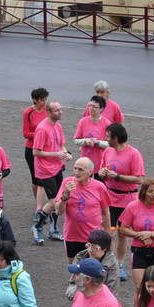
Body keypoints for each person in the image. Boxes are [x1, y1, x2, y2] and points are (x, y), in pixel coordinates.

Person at [99, 123, 145, 276]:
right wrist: (103, 173)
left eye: (108, 136)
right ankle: (110, 262)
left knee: (122, 234)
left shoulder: (134, 154)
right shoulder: (107, 151)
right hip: (110, 198)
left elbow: (139, 179)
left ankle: (119, 263)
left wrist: (118, 177)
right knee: (110, 233)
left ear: (116, 138)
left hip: (127, 201)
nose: (105, 139)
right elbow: (101, 170)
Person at [49, 157, 112, 263]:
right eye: (75, 168)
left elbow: (106, 213)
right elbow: (58, 212)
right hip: (72, 236)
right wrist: (65, 195)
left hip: (94, 237)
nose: (76, 172)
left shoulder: (99, 187)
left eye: (80, 169)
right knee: (74, 266)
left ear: (90, 172)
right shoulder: (67, 183)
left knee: (93, 266)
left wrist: (108, 235)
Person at [30, 100, 72, 245]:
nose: (60, 112)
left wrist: (66, 153)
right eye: (57, 110)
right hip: (45, 170)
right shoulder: (42, 129)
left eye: (60, 109)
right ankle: (37, 226)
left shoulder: (58, 126)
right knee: (55, 202)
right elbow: (36, 152)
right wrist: (57, 154)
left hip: (57, 167)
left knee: (58, 200)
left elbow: (61, 145)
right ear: (48, 112)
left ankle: (53, 229)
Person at [118, 177, 154, 291]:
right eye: (150, 191)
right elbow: (122, 229)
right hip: (139, 250)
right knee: (140, 287)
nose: (153, 194)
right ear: (143, 192)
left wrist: (150, 234)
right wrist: (141, 236)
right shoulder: (133, 206)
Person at [65, 228, 120, 300]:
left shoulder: (111, 264)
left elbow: (112, 290)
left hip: (101, 298)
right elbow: (73, 281)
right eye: (88, 245)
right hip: (83, 293)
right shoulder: (81, 256)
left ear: (105, 249)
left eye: (95, 247)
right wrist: (73, 289)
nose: (90, 250)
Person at [21, 87, 50, 202]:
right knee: (36, 178)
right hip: (32, 149)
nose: (44, 102)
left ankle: (48, 201)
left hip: (46, 149)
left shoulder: (47, 111)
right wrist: (40, 134)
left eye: (46, 99)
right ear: (35, 100)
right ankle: (38, 204)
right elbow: (25, 133)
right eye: (42, 100)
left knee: (47, 176)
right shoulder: (28, 112)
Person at [73, 96, 111, 173]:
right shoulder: (83, 121)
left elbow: (111, 145)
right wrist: (85, 141)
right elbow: (76, 140)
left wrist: (98, 143)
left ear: (101, 109)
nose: (91, 108)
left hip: (100, 164)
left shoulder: (107, 123)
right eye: (90, 105)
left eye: (94, 107)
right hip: (85, 163)